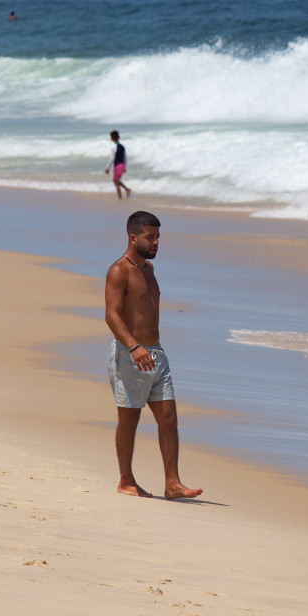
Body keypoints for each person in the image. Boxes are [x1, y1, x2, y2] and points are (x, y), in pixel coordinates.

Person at [102, 210, 200, 500]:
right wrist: (134, 347)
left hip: (156, 354)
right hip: (130, 354)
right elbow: (111, 315)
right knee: (129, 420)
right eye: (150, 237)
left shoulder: (149, 270)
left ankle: (172, 483)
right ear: (133, 238)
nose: (156, 242)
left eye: (158, 237)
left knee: (168, 417)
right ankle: (125, 480)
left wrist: (147, 349)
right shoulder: (119, 270)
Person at [105, 130, 131, 199]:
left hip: (117, 166)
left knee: (115, 181)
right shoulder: (122, 147)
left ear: (111, 138)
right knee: (116, 180)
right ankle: (126, 190)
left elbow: (112, 158)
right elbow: (125, 158)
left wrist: (107, 168)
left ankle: (121, 196)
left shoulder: (113, 147)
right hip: (122, 165)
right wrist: (124, 167)